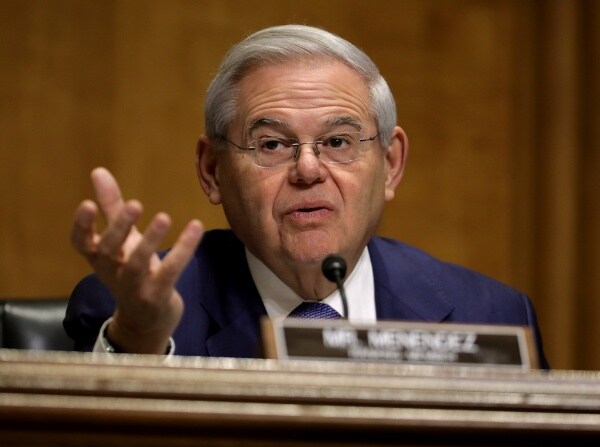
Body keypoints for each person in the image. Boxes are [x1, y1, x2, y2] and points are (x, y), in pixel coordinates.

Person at [64, 24, 548, 368]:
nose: (309, 170)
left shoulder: (493, 315)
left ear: (391, 165)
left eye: (338, 142)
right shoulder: (125, 308)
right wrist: (140, 337)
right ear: (213, 170)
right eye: (272, 144)